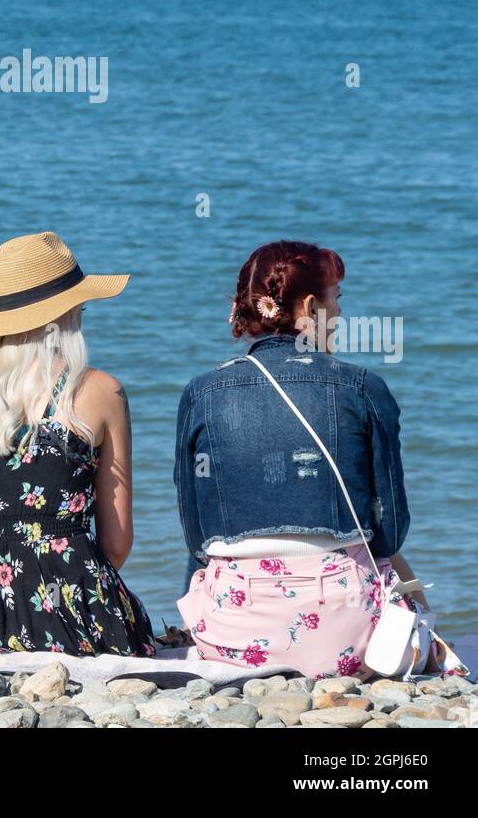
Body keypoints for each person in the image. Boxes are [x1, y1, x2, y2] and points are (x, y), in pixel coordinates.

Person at [174, 240, 423, 678]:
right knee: (399, 581)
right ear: (309, 306)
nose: (341, 315)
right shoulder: (363, 388)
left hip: (231, 634)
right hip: (346, 638)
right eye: (337, 300)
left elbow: (197, 537)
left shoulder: (201, 392)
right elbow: (390, 533)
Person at [0, 231, 156, 656]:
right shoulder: (97, 391)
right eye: (80, 305)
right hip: (64, 605)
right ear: (64, 315)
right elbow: (116, 546)